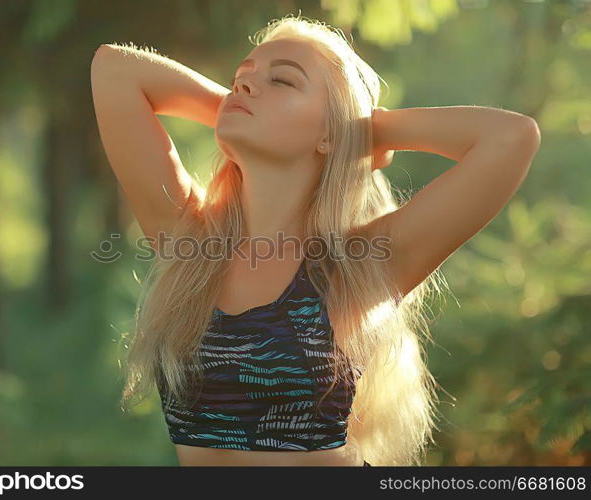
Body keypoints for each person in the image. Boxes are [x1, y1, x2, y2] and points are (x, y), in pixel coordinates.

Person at [90, 13, 541, 466]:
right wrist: (245, 109)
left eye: (282, 80)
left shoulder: (362, 262)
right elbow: (114, 69)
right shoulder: (190, 240)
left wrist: (359, 130)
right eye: (239, 80)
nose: (242, 87)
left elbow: (511, 137)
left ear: (331, 130)